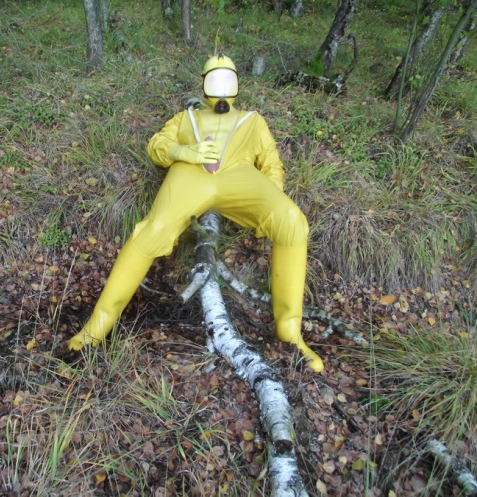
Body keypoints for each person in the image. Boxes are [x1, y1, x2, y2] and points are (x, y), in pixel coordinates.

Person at [69, 54, 324, 372]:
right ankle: (98, 324)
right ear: (204, 86)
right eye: (214, 81)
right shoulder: (185, 118)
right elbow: (157, 145)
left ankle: (290, 332)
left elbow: (271, 163)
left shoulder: (252, 121)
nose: (221, 90)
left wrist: (271, 195)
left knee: (291, 220)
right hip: (190, 173)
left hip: (239, 175)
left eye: (228, 81)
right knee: (154, 229)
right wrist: (183, 151)